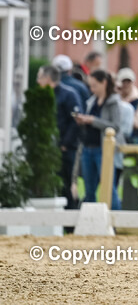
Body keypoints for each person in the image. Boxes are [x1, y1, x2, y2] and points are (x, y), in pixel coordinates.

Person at [71, 69, 123, 207]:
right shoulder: (91, 101)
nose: (92, 89)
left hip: (103, 150)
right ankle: (91, 223)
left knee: (109, 188)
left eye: (94, 85)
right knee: (89, 190)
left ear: (104, 83)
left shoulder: (113, 102)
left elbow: (116, 126)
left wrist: (93, 120)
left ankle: (115, 222)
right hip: (88, 148)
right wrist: (83, 120)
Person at [36, 64, 83, 210]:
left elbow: (75, 121)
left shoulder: (69, 94)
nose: (38, 81)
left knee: (66, 185)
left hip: (65, 149)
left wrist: (65, 144)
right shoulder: (42, 96)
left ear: (48, 78)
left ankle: (70, 224)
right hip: (48, 149)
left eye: (40, 77)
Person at [116, 68, 138, 145]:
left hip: (134, 142)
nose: (126, 84)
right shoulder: (114, 100)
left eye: (128, 81)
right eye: (123, 81)